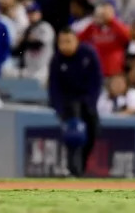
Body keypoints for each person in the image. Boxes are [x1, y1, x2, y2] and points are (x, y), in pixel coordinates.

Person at [48, 28, 103, 177]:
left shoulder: (88, 54)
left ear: (76, 41)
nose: (65, 45)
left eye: (68, 41)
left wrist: (91, 103)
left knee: (92, 135)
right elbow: (54, 87)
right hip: (68, 102)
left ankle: (81, 168)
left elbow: (96, 81)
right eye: (61, 42)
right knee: (74, 136)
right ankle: (73, 171)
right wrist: (59, 109)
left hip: (87, 101)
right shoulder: (57, 59)